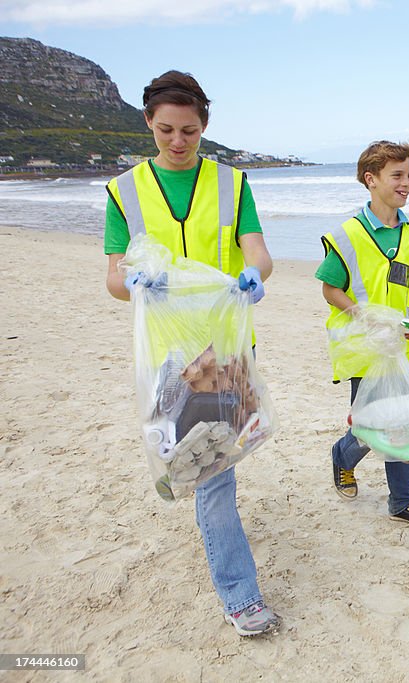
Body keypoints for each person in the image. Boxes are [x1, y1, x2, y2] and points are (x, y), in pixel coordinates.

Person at [103, 71, 280, 636]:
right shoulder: (123, 191)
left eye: (190, 131)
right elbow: (113, 274)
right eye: (166, 130)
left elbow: (258, 253)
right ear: (148, 124)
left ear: (205, 126)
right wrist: (133, 284)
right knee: (213, 475)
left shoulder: (232, 183)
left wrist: (254, 274)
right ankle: (240, 594)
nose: (178, 142)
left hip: (226, 349)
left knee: (229, 453)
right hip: (169, 355)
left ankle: (174, 470)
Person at [317, 140, 409, 528]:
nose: (406, 183)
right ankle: (342, 455)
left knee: (406, 421)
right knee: (372, 425)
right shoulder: (347, 235)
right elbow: (330, 288)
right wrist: (364, 316)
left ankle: (402, 500)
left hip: (401, 350)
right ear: (371, 180)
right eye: (397, 176)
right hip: (362, 349)